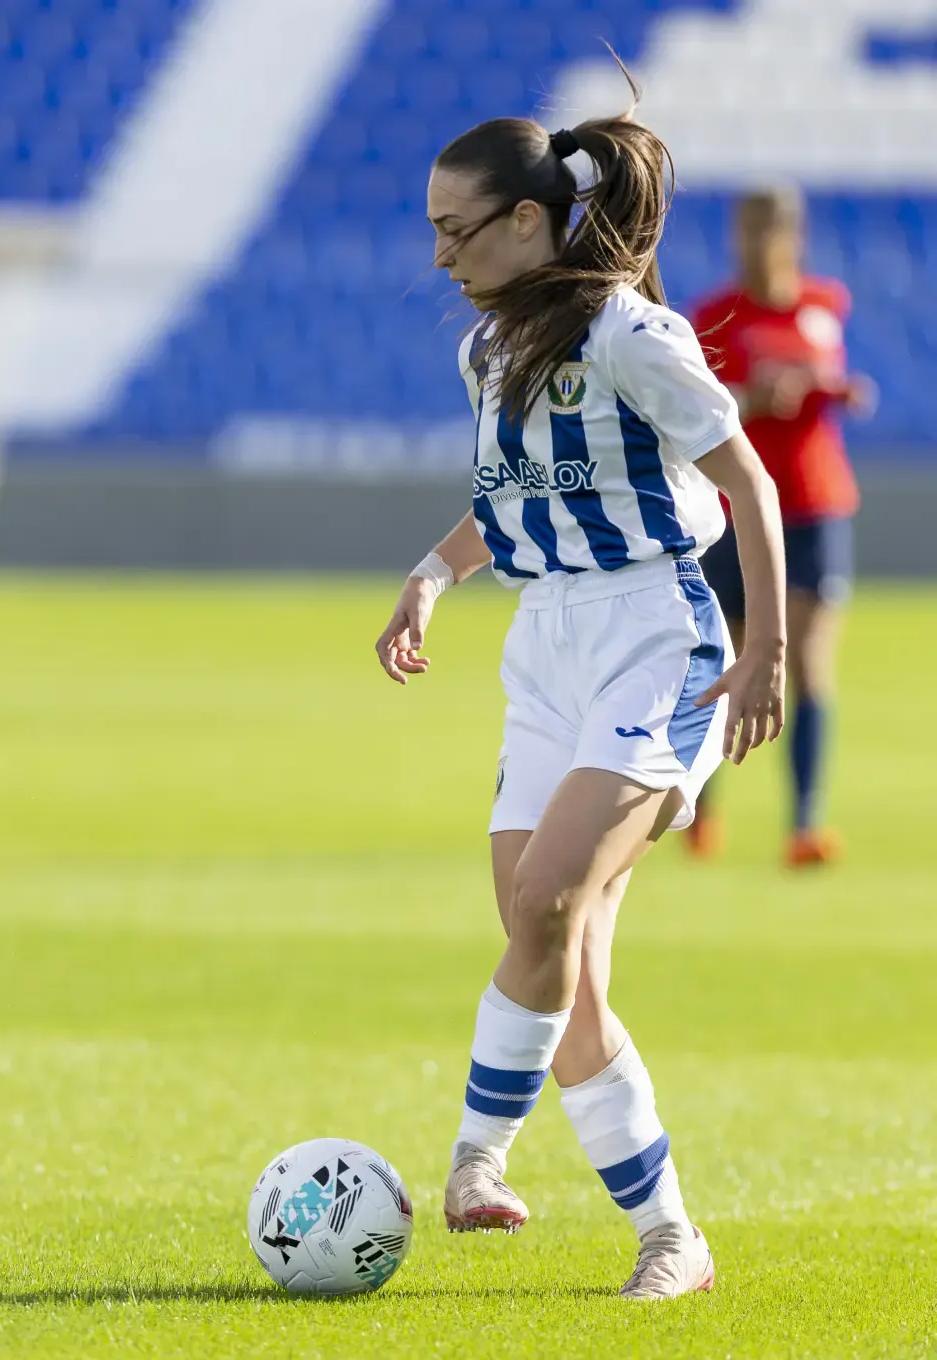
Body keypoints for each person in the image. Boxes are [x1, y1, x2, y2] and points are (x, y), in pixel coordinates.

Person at [374, 74, 786, 1301]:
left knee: (549, 898)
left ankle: (474, 1157)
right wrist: (433, 574)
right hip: (544, 648)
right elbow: (514, 505)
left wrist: (763, 652)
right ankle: (672, 1237)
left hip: (656, 637)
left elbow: (750, 484)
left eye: (456, 228)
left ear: (526, 220)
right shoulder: (485, 349)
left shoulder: (632, 335)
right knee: (555, 949)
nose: (440, 254)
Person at [690, 190, 874, 866]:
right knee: (730, 661)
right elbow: (699, 406)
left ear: (793, 235)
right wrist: (755, 398)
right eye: (747, 229)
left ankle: (805, 823)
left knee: (809, 658)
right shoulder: (715, 315)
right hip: (738, 507)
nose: (755, 243)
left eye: (767, 229)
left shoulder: (824, 304)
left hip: (815, 499)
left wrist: (839, 391)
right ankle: (699, 808)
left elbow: (827, 375)